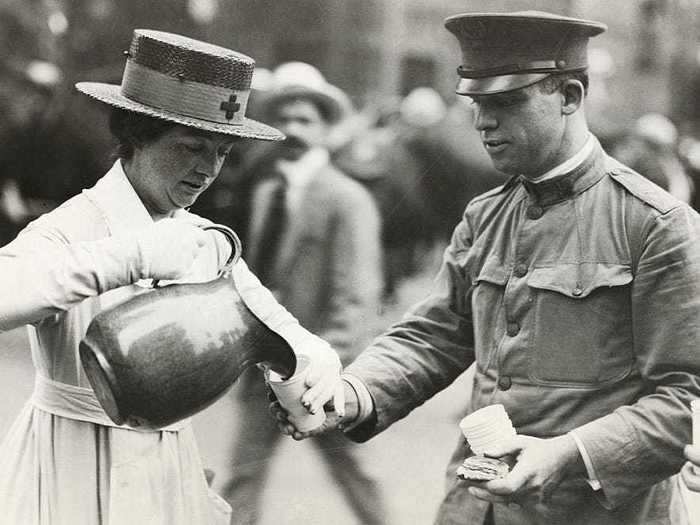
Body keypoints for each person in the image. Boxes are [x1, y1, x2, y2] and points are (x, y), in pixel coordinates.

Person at [272, 11, 700, 524]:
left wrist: (569, 452)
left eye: (506, 101)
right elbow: (434, 335)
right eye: (476, 103)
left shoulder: (655, 223)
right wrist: (351, 393)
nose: (482, 122)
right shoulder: (486, 214)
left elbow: (686, 400)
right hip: (475, 510)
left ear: (569, 96)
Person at [0, 29, 343, 525]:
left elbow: (270, 323)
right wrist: (129, 255)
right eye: (192, 147)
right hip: (64, 463)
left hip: (166, 468)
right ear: (135, 135)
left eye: (223, 152)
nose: (209, 170)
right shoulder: (69, 227)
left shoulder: (206, 240)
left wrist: (313, 360)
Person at [220, 62, 386, 525]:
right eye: (284, 119)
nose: (292, 130)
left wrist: (328, 372)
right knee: (243, 474)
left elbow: (356, 296)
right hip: (265, 362)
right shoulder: (265, 188)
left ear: (325, 128)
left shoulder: (347, 198)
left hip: (325, 370)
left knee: (353, 469)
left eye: (305, 120)